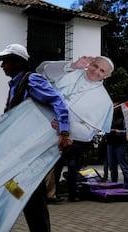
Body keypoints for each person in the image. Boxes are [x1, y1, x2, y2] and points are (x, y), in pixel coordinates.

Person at [0, 43, 71, 232]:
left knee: (31, 203)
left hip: (27, 159)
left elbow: (58, 102)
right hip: (14, 158)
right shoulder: (15, 86)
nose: (2, 66)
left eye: (5, 61)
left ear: (17, 62)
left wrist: (64, 132)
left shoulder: (31, 80)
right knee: (2, 198)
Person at [36, 55, 114, 202]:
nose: (96, 71)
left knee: (43, 173)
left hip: (56, 138)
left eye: (102, 71)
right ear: (90, 63)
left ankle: (38, 197)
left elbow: (88, 134)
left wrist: (66, 126)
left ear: (107, 75)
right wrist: (71, 65)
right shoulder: (71, 70)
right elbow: (42, 70)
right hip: (35, 122)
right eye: (95, 66)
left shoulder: (104, 101)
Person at [105, 104, 128, 189]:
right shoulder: (109, 117)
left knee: (123, 165)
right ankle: (114, 184)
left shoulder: (124, 118)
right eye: (112, 106)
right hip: (110, 143)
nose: (114, 107)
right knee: (112, 166)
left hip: (120, 143)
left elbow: (127, 132)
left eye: (115, 106)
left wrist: (115, 131)